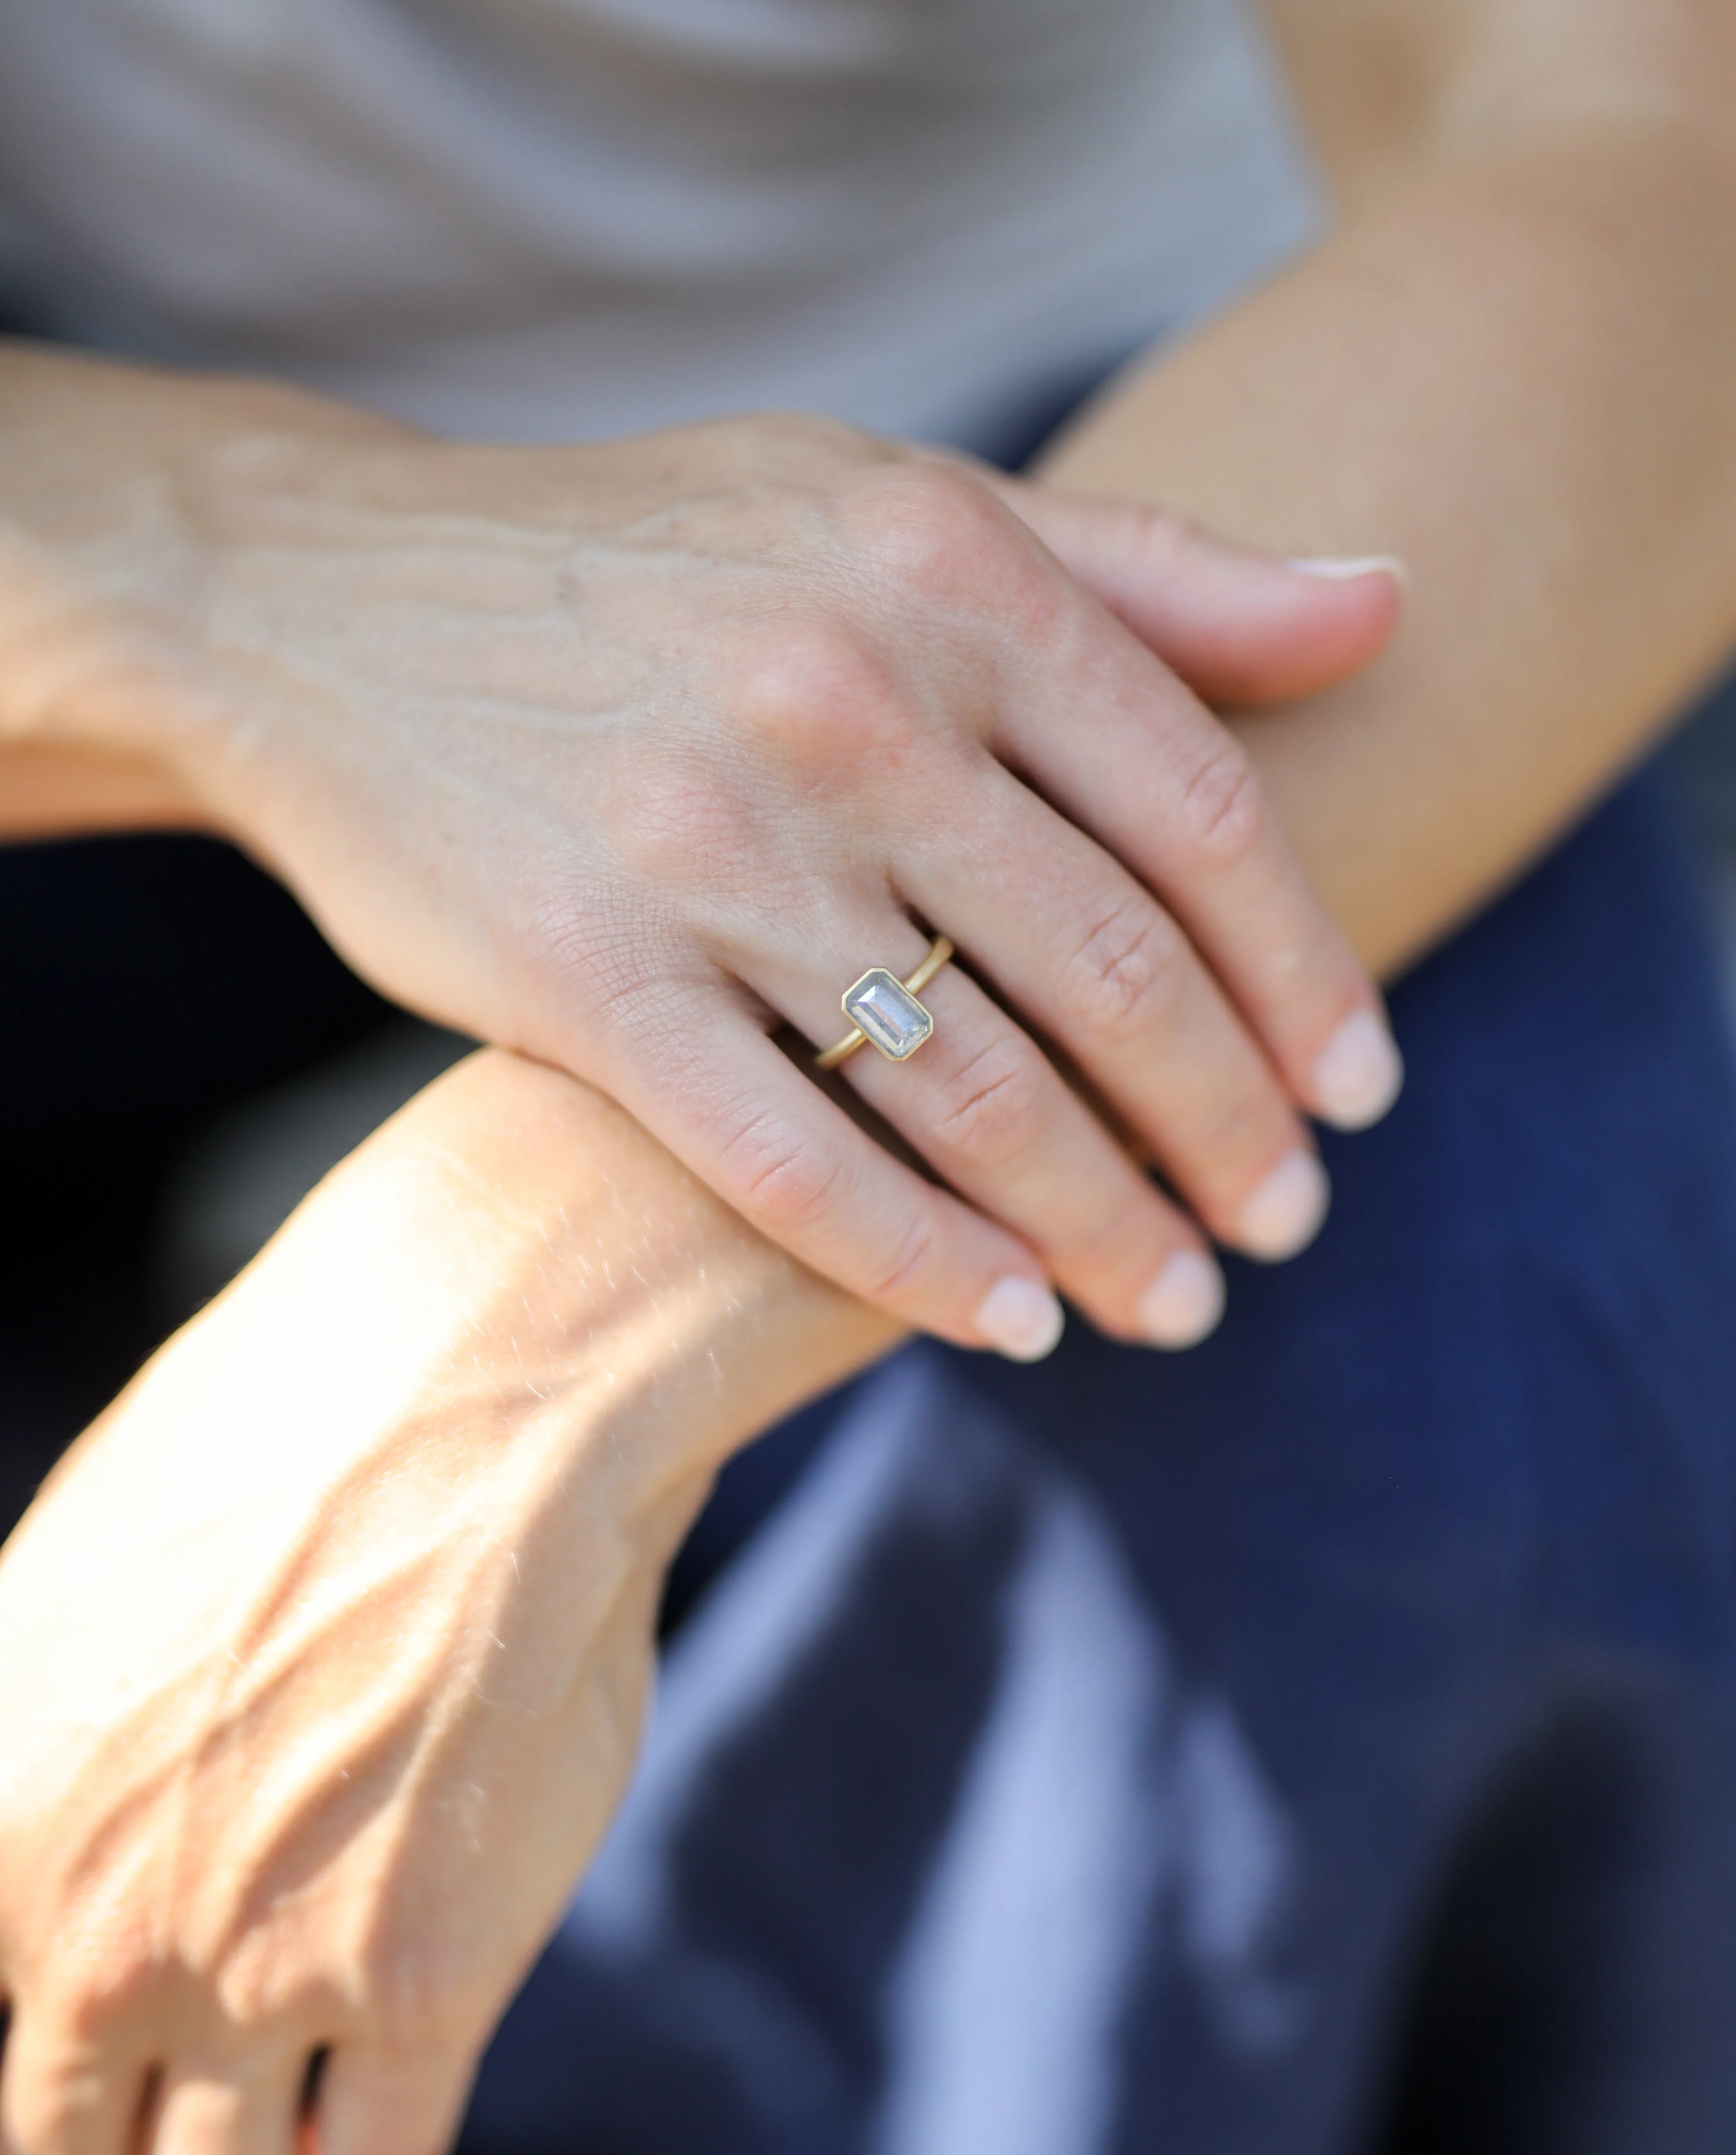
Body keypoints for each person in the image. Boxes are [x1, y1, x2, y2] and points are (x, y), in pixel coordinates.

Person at [5, 0, 1736, 2150]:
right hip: (89, 487)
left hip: (1096, 474)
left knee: (1424, 1236)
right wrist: (248, 572)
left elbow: (1659, 161)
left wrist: (518, 1309)